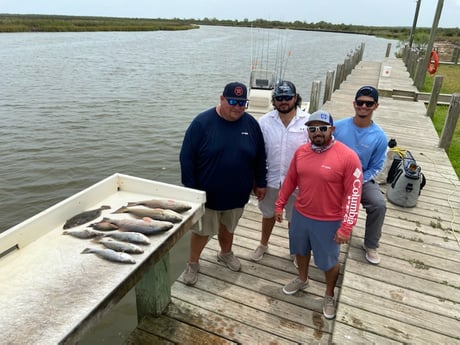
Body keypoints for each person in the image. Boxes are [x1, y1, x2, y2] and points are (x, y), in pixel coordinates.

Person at [275, 110, 362, 320]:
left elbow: (354, 194)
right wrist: (279, 204)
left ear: (332, 130)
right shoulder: (301, 152)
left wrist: (346, 227)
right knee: (301, 251)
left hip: (329, 221)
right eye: (312, 129)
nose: (317, 133)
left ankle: (329, 294)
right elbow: (290, 181)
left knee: (328, 262)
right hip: (301, 215)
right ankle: (302, 279)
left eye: (322, 128)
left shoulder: (348, 156)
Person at [179, 81, 267, 286]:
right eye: (233, 101)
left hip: (238, 193)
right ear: (222, 99)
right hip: (207, 195)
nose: (237, 107)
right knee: (201, 232)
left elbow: (260, 156)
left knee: (229, 227)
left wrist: (260, 182)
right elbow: (186, 158)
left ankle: (225, 253)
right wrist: (192, 191)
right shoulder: (202, 122)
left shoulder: (251, 124)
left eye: (242, 103)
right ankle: (193, 263)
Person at [250, 80, 309, 266]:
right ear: (274, 100)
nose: (284, 101)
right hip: (270, 180)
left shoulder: (308, 121)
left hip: (298, 183)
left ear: (296, 98)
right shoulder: (264, 122)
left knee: (295, 219)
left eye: (288, 97)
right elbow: (257, 154)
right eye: (279, 98)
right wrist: (256, 181)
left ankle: (295, 250)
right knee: (267, 214)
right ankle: (263, 244)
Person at [334, 86, 388, 265]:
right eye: (360, 102)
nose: (363, 106)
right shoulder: (338, 127)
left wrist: (356, 182)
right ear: (354, 104)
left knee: (378, 204)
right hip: (334, 178)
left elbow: (376, 166)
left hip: (361, 180)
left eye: (369, 103)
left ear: (376, 106)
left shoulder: (380, 137)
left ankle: (371, 244)